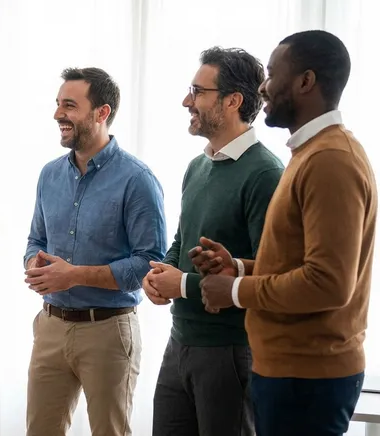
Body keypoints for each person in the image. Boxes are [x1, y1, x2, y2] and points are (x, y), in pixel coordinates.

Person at [195, 30, 375, 436]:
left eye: (273, 74)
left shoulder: (331, 160)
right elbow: (299, 263)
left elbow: (328, 284)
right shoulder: (309, 153)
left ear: (305, 82)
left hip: (308, 377)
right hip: (290, 372)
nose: (263, 87)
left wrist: (236, 292)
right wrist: (238, 268)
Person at [142, 47, 284, 436]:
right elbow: (181, 240)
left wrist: (183, 285)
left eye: (197, 91)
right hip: (179, 344)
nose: (186, 101)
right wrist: (159, 274)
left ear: (233, 101)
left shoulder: (266, 174)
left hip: (231, 352)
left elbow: (269, 272)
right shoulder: (197, 166)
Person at [23, 67, 167, 436]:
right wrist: (34, 263)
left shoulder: (137, 179)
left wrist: (74, 274)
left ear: (101, 113)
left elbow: (149, 263)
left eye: (69, 105)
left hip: (108, 330)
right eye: (58, 104)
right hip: (51, 327)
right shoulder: (48, 175)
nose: (58, 114)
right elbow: (36, 239)